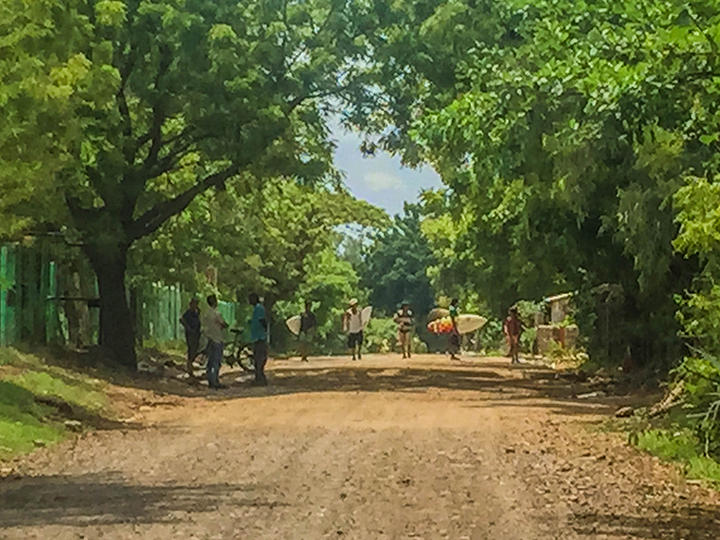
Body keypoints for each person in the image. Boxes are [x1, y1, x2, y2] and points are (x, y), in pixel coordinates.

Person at [201, 294, 228, 389]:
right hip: (217, 338)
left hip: (209, 338)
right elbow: (223, 324)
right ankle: (215, 380)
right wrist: (225, 326)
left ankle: (209, 379)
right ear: (215, 302)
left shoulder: (206, 314)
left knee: (210, 360)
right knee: (216, 360)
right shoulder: (216, 313)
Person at [249, 292, 268, 386]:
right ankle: (259, 377)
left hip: (259, 337)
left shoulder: (259, 308)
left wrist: (264, 331)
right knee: (258, 358)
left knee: (259, 358)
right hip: (257, 336)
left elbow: (262, 320)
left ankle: (260, 378)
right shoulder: (256, 308)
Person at [179, 298, 201, 377]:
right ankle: (189, 368)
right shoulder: (188, 313)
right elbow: (181, 319)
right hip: (191, 334)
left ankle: (190, 366)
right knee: (191, 349)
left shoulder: (195, 312)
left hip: (196, 333)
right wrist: (188, 328)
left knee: (195, 349)